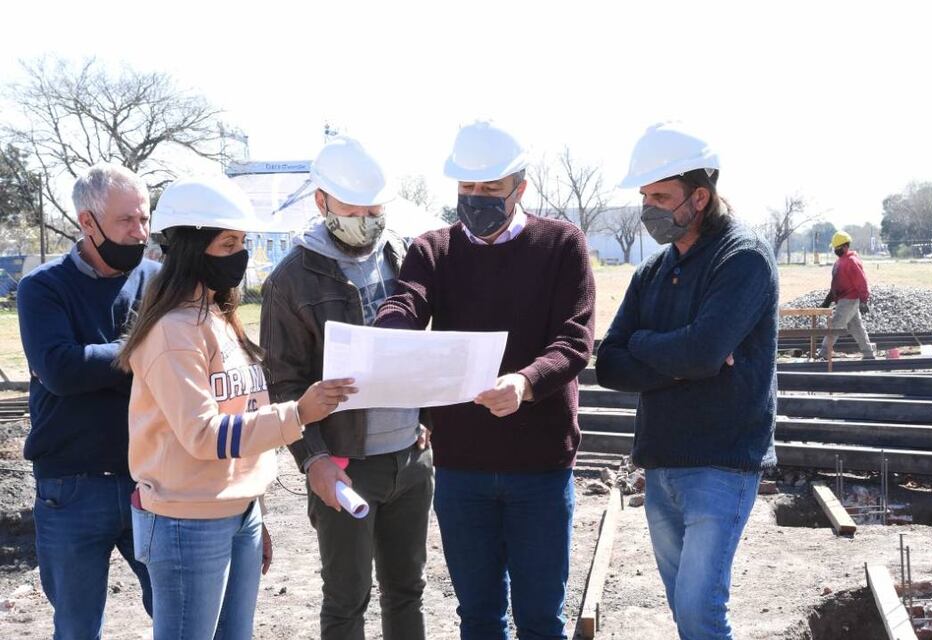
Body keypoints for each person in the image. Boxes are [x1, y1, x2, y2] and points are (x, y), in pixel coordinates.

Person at [374, 120, 596, 640]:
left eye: (491, 188)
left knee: (541, 618)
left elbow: (574, 340)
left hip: (540, 466)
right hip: (461, 467)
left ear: (520, 187)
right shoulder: (433, 249)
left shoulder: (561, 244)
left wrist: (525, 383)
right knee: (477, 616)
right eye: (467, 187)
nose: (476, 198)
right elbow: (408, 300)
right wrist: (391, 329)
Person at [116, 175, 356, 640]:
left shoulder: (220, 317)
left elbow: (242, 412)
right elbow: (204, 435)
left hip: (237, 512)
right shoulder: (173, 332)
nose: (240, 256)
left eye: (242, 243)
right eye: (228, 244)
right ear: (191, 248)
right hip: (187, 520)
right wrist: (298, 414)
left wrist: (254, 506)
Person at [594, 122, 777, 640]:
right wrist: (685, 354)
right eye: (645, 196)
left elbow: (701, 351)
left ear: (700, 196)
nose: (648, 208)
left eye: (661, 197)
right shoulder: (652, 271)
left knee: (701, 613)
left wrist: (647, 344)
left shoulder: (742, 258)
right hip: (662, 463)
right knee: (684, 610)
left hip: (721, 462)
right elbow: (609, 364)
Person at [261, 135, 432, 640]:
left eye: (374, 211)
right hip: (344, 464)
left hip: (411, 458)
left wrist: (427, 419)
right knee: (346, 599)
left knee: (407, 590)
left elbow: (427, 347)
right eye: (353, 211)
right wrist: (313, 459)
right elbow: (282, 382)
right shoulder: (291, 280)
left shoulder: (403, 255)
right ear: (322, 202)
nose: (366, 221)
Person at [17, 163, 157, 637]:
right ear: (87, 222)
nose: (139, 232)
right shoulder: (43, 287)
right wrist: (142, 352)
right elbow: (61, 370)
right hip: (71, 487)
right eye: (126, 220)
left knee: (181, 616)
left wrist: (96, 361)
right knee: (77, 628)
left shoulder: (160, 282)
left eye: (144, 218)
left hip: (153, 479)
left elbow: (182, 361)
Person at [818, 231, 875, 359]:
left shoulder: (851, 261)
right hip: (844, 299)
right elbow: (836, 284)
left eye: (837, 248)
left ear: (845, 246)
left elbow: (861, 281)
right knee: (856, 327)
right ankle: (868, 353)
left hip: (849, 300)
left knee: (836, 324)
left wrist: (864, 300)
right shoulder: (840, 262)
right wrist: (828, 300)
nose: (835, 250)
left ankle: (824, 352)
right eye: (834, 248)